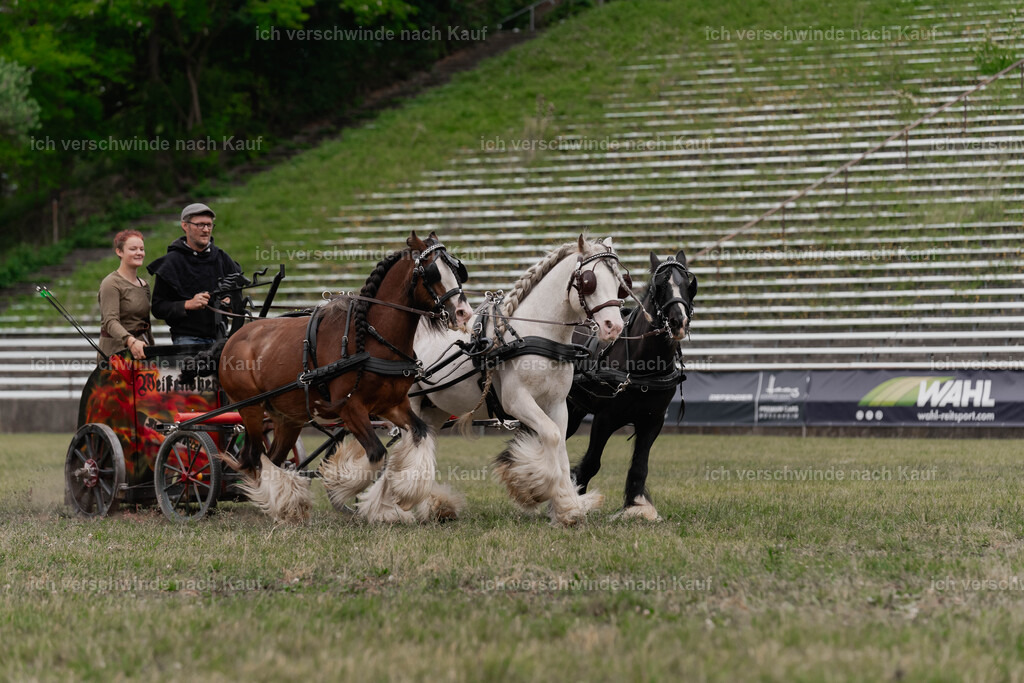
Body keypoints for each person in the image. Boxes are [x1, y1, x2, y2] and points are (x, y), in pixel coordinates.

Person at [148, 202, 241, 345]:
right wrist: (187, 304)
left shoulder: (223, 258)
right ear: (185, 226)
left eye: (209, 225)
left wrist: (230, 302)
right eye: (200, 225)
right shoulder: (171, 263)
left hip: (221, 339)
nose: (206, 230)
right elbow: (158, 308)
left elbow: (237, 296)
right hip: (187, 339)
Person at [98, 229, 154, 360]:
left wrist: (152, 348)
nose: (139, 253)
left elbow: (145, 323)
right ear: (119, 252)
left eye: (141, 249)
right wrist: (131, 341)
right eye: (133, 249)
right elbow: (110, 321)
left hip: (141, 351)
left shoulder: (144, 285)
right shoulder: (111, 283)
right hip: (116, 352)